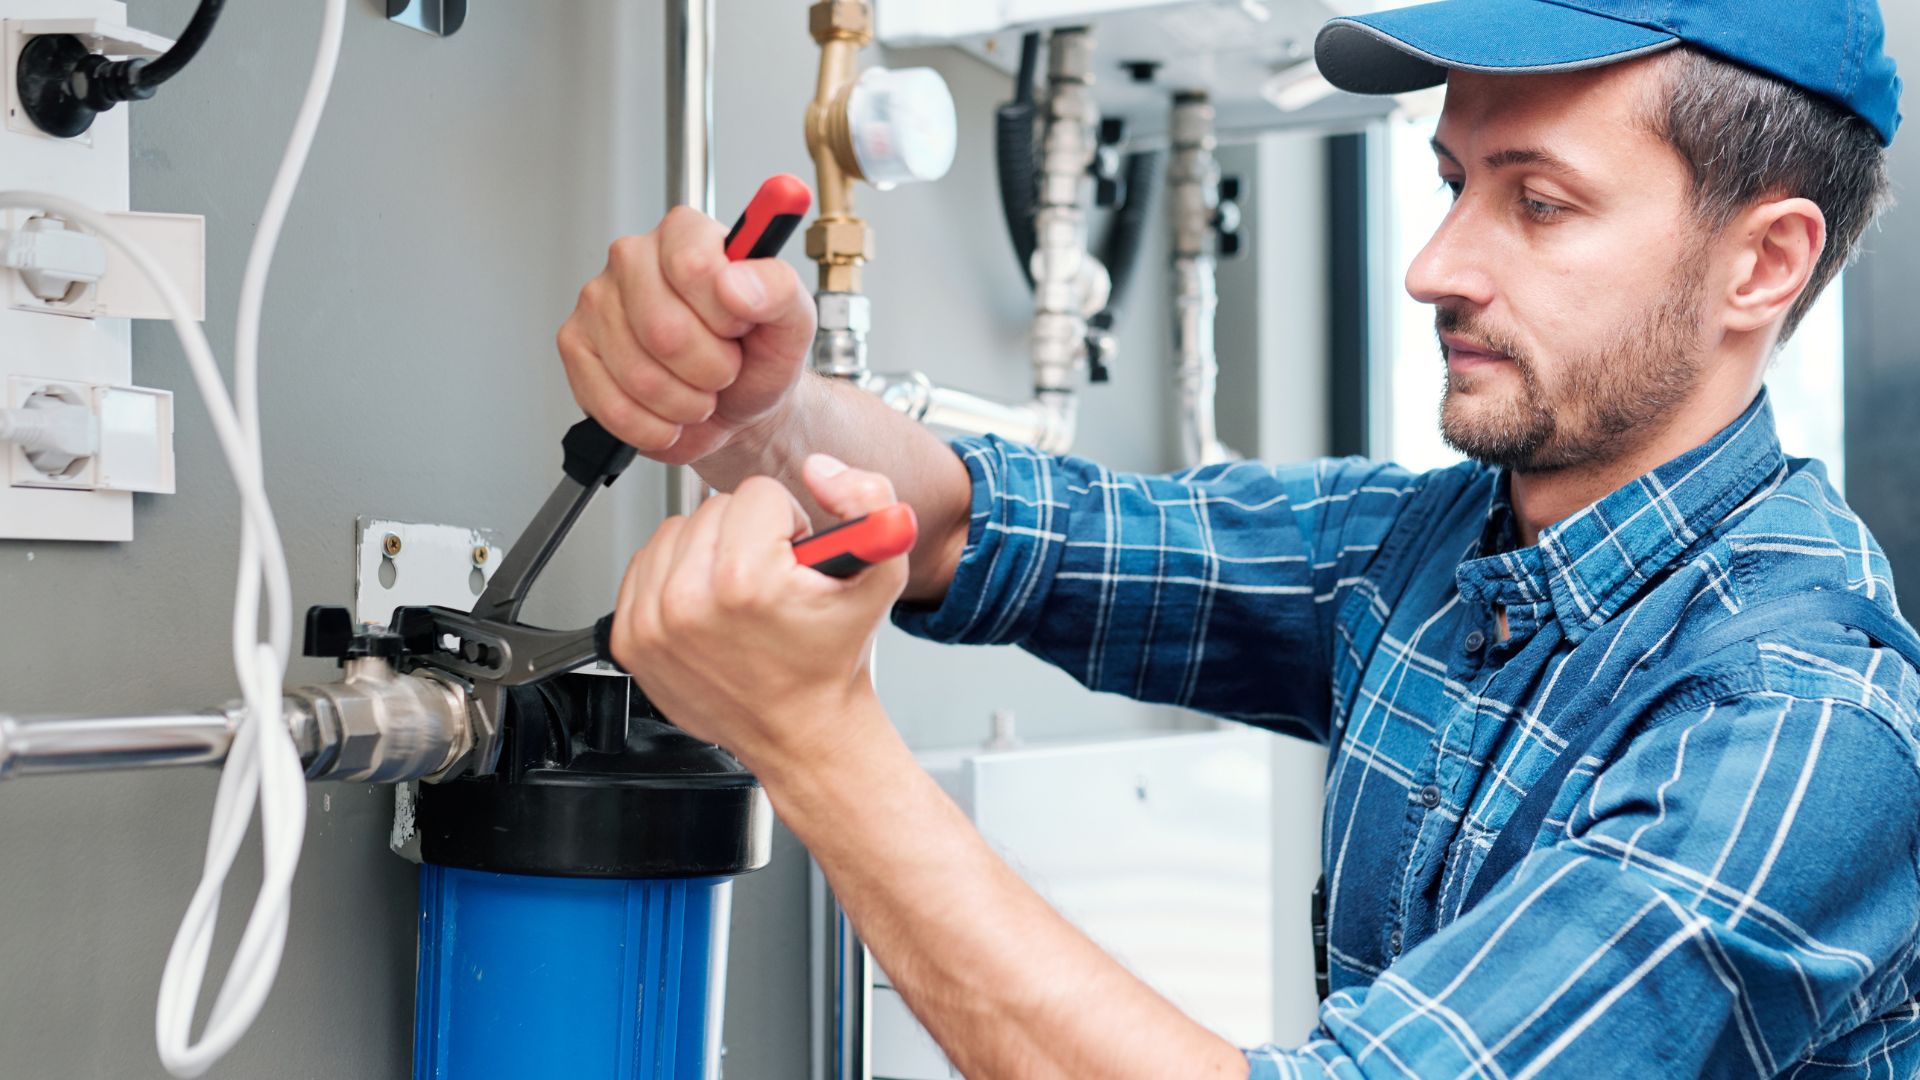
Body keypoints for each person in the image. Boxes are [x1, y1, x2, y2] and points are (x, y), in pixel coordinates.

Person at [556, 0, 1919, 1074]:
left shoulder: (1799, 727)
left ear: (1764, 263)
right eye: (1451, 183)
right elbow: (1017, 530)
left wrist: (816, 745)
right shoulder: (1438, 550)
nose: (1435, 263)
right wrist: (774, 415)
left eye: (1538, 201)